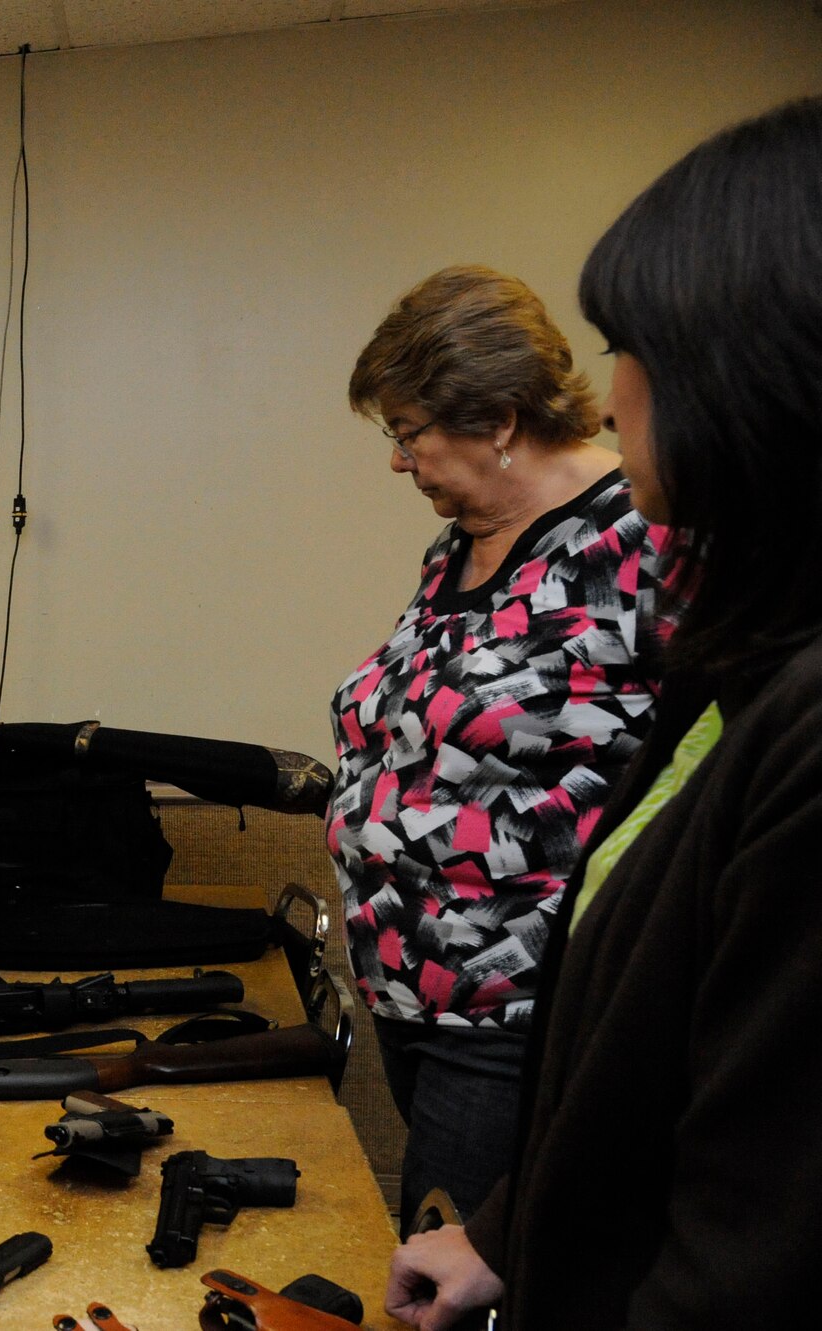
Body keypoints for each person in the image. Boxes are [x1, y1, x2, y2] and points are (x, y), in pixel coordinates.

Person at [385, 95, 822, 1331]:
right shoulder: (742, 663)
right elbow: (650, 1076)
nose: (609, 391)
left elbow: (745, 1252)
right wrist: (506, 1229)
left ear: (749, 379)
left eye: (633, 347)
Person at [327, 265, 671, 1225]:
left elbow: (709, 762)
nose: (399, 462)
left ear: (500, 419)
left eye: (409, 433)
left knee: (463, 1276)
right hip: (412, 993)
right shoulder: (461, 544)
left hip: (520, 1009)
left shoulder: (642, 538)